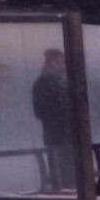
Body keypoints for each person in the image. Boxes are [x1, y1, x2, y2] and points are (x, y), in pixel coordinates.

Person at [32, 48, 77, 192]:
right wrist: (59, 117)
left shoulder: (66, 83)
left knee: (70, 169)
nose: (62, 65)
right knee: (60, 170)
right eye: (58, 62)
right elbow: (40, 111)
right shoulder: (42, 84)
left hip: (67, 135)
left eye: (63, 62)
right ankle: (62, 191)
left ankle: (69, 189)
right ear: (50, 63)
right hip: (56, 135)